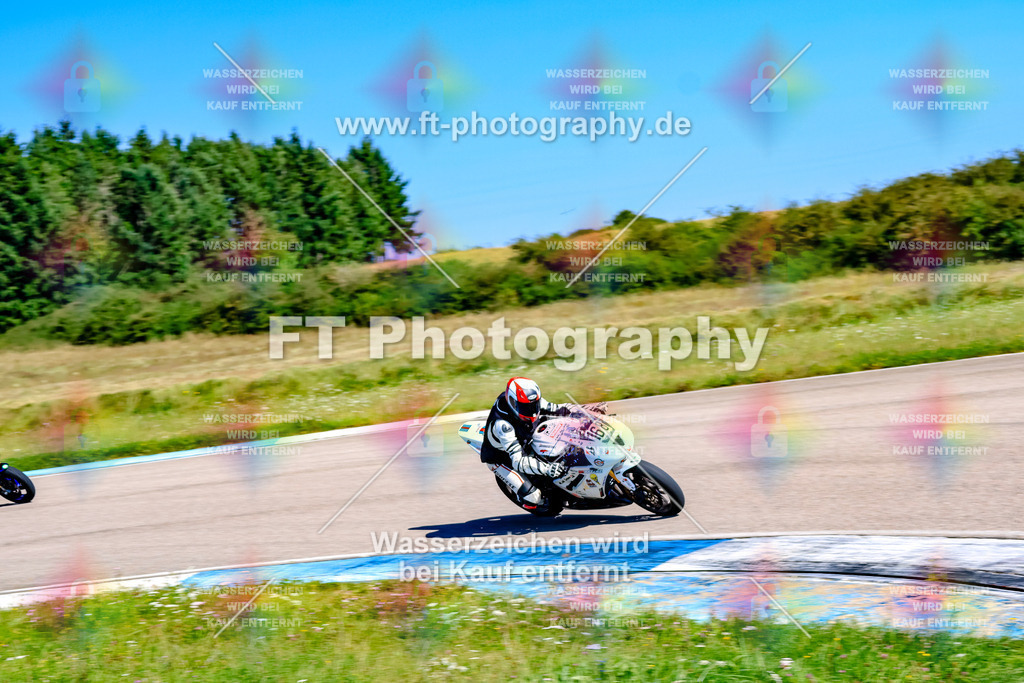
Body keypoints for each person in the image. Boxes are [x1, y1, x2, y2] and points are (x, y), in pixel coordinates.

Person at [479, 377, 604, 508]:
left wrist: (587, 411)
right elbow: (518, 462)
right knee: (533, 498)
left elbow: (560, 409)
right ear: (513, 403)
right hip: (503, 458)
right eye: (525, 407)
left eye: (534, 405)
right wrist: (548, 469)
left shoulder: (529, 402)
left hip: (525, 438)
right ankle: (528, 499)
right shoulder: (503, 425)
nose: (532, 411)